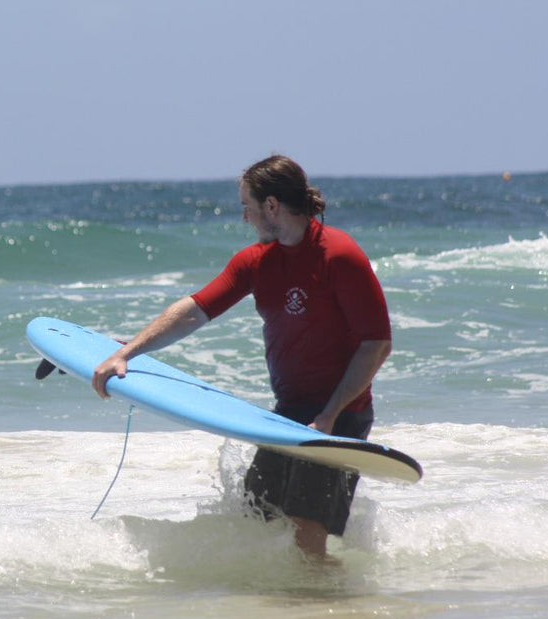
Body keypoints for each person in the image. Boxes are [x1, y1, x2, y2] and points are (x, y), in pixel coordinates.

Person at [92, 155, 392, 557]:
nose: (244, 216)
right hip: (287, 415)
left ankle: (328, 614)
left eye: (247, 206)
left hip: (339, 418)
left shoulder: (339, 255)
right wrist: (126, 352)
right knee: (258, 517)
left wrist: (330, 415)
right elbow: (195, 310)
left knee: (307, 536)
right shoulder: (256, 261)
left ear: (272, 206)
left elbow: (376, 342)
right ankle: (281, 606)